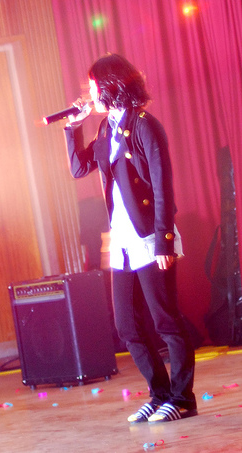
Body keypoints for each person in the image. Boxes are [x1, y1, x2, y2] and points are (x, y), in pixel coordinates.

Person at [63, 53, 197, 423]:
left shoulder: (144, 125)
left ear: (111, 85)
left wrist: (164, 241)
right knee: (127, 327)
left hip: (150, 238)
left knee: (166, 322)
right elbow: (79, 168)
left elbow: (163, 186)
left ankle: (182, 399)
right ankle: (159, 395)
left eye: (93, 85)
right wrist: (73, 128)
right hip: (121, 240)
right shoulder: (106, 128)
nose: (89, 92)